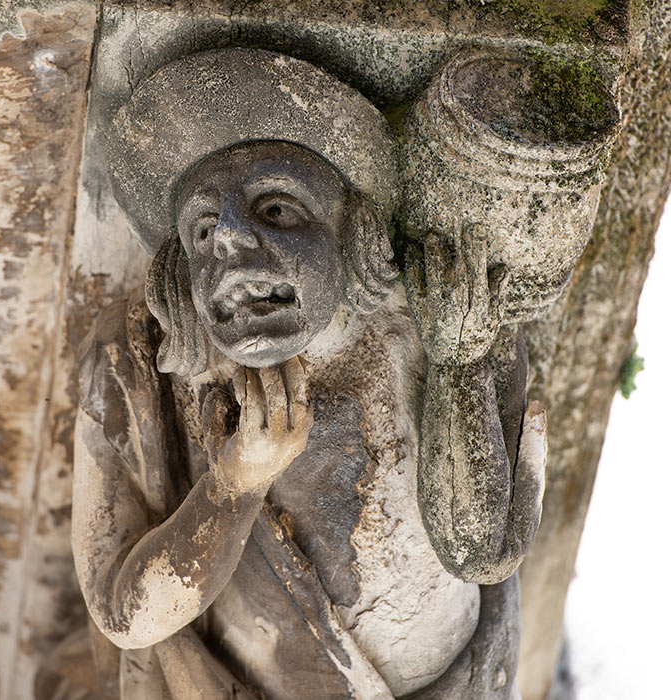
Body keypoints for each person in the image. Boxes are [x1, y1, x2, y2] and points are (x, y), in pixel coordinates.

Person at [71, 49, 545, 700]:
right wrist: (234, 487)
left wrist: (461, 364)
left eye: (274, 210)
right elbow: (124, 610)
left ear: (355, 226)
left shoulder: (438, 311)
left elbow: (485, 549)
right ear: (178, 269)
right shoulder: (138, 368)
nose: (231, 243)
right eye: (203, 230)